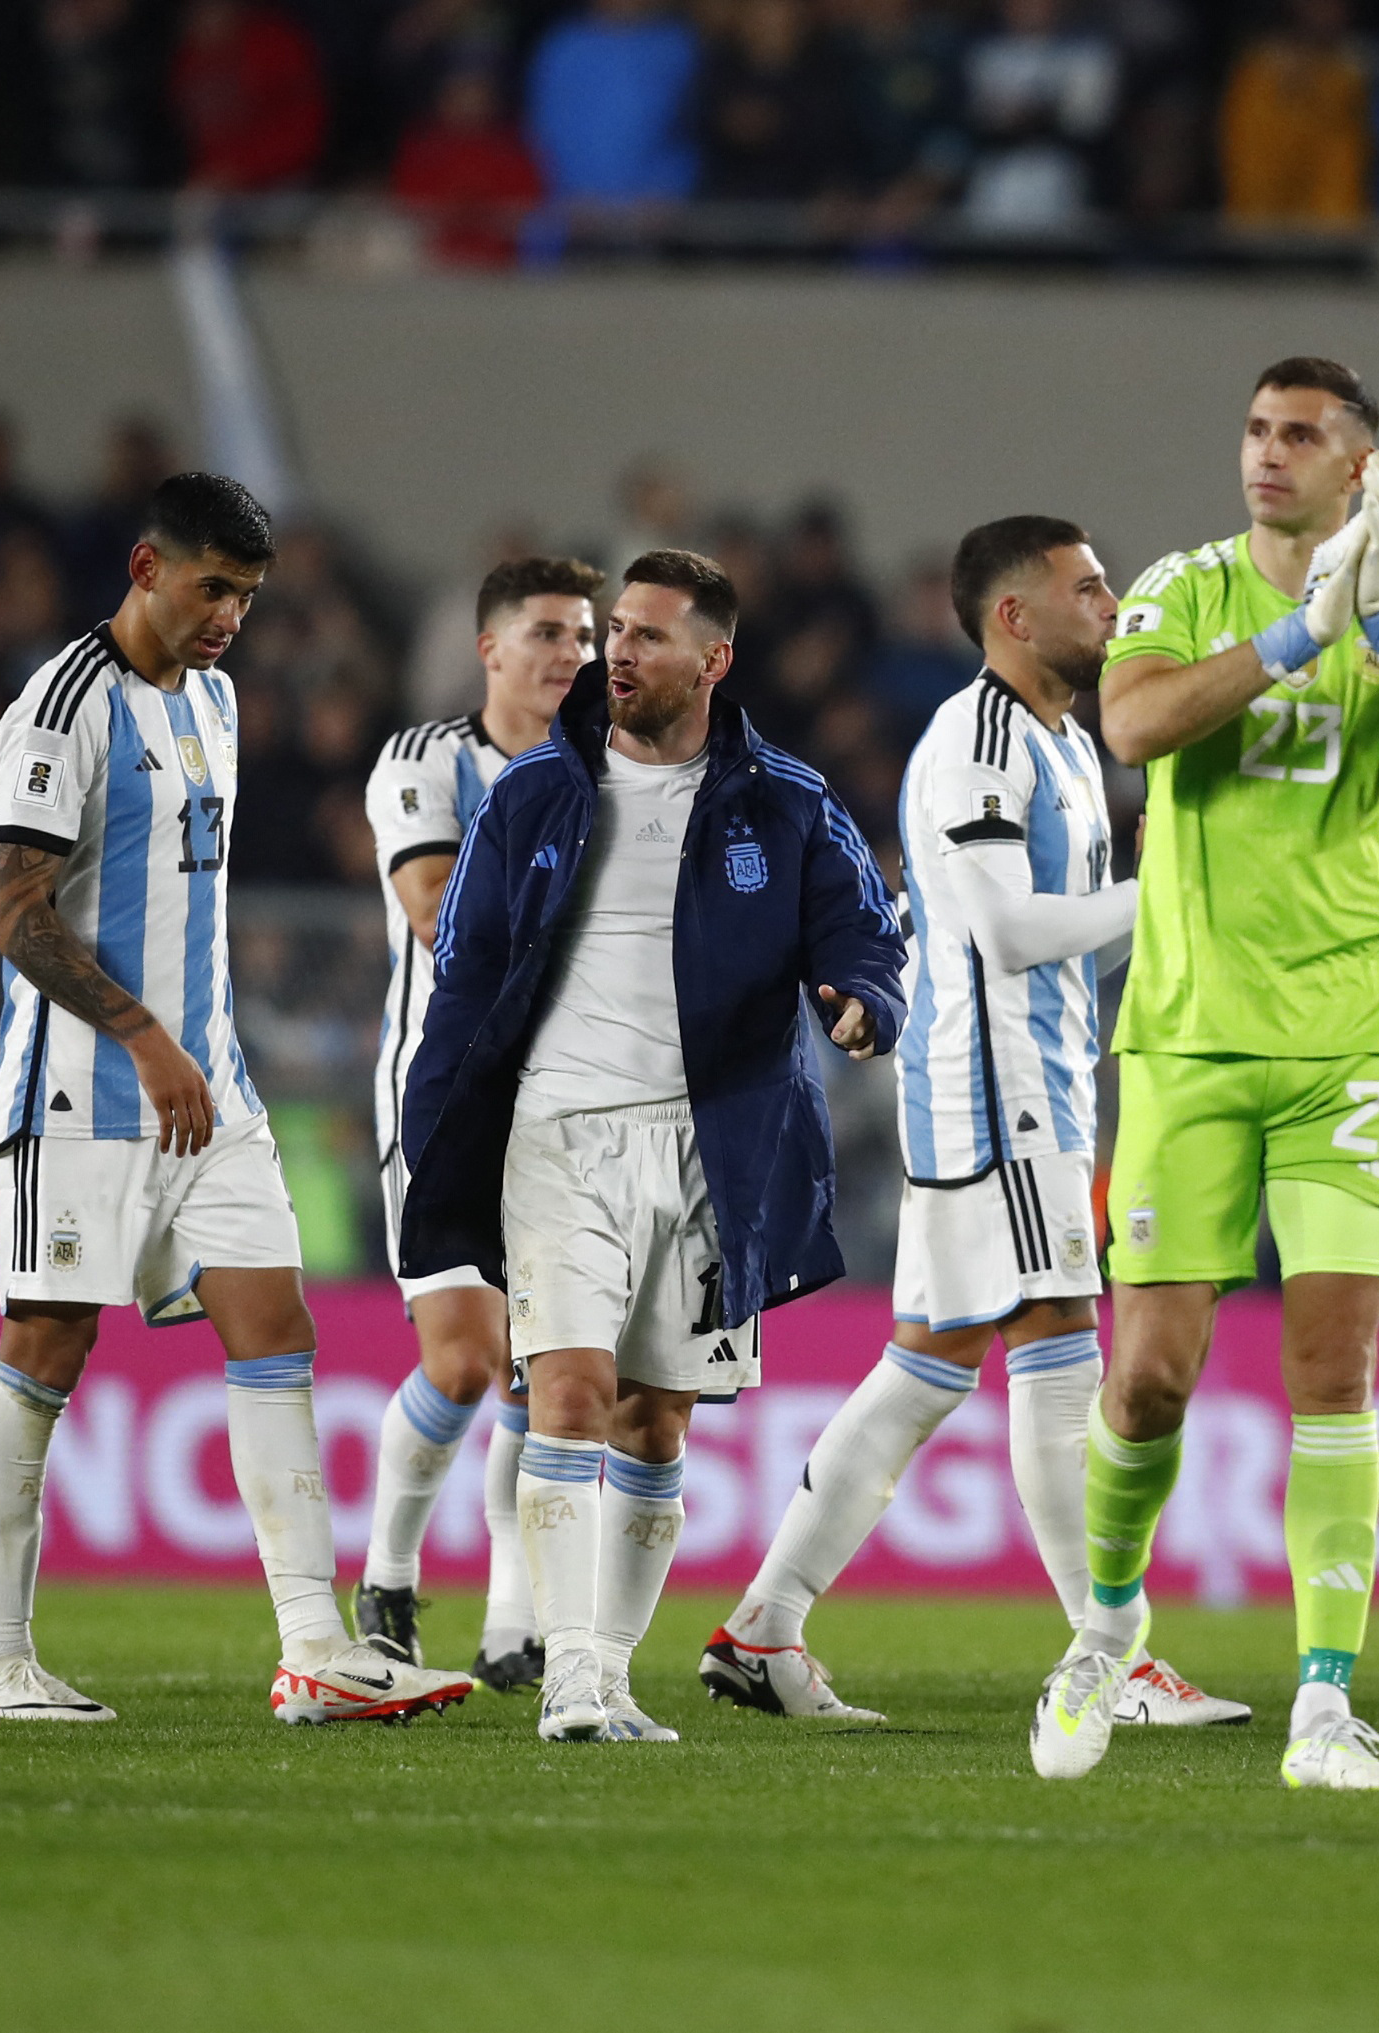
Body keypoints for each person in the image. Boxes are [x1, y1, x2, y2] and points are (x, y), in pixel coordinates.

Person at [703, 516, 1245, 1731]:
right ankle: (1111, 1649)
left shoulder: (1058, 744)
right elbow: (1003, 934)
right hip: (999, 1090)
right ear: (1015, 614)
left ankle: (763, 1625)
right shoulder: (979, 740)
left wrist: (1133, 911)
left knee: (924, 1368)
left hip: (1027, 1082)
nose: (1112, 605)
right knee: (1061, 1354)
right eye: (1088, 586)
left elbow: (1038, 945)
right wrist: (1155, 890)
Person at [1053, 356, 1379, 1790]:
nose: (1265, 453)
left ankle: (1323, 1703)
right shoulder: (1180, 590)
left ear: (1358, 467)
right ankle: (1107, 1635)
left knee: (1333, 1365)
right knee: (1147, 1378)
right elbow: (1129, 726)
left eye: (1299, 435)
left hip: (1349, 1037)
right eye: (1254, 428)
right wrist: (1295, 638)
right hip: (1186, 1036)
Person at [0, 473, 472, 1725]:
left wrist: (194, 1047)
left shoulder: (223, 699)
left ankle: (314, 1646)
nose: (230, 616)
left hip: (212, 1090)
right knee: (47, 1348)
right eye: (211, 588)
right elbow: (11, 912)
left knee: (276, 1327)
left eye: (245, 594)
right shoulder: (61, 704)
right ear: (146, 568)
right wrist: (141, 1034)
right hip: (84, 1088)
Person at [395, 549, 908, 1744]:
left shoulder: (783, 799)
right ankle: (571, 1671)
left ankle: (608, 1669)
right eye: (614, 631)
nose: (616, 652)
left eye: (648, 636)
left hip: (713, 1147)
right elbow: (466, 971)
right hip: (560, 1129)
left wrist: (863, 1001)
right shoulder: (535, 790)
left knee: (655, 1423)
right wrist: (440, 1133)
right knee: (567, 1390)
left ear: (714, 660)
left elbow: (863, 932)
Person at [348, 556, 602, 1689]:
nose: (571, 655)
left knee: (541, 1367)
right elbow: (437, 915)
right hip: (445, 1092)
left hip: (570, 1102)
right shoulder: (429, 759)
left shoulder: (611, 773)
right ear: (489, 648)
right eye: (546, 632)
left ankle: (514, 1623)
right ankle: (388, 1574)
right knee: (463, 1362)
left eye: (586, 637)